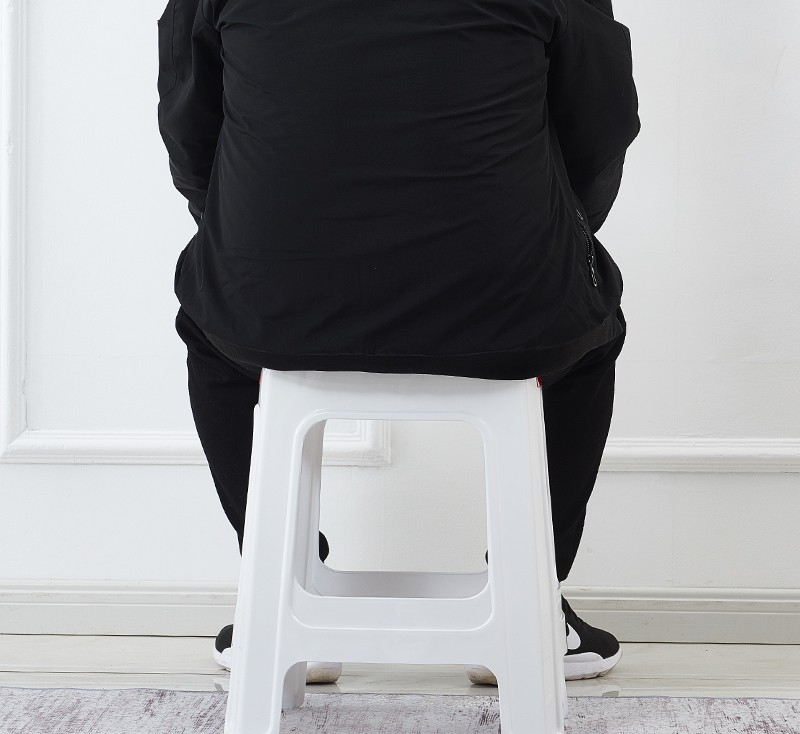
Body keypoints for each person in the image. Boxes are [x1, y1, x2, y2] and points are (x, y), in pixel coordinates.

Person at [157, 0, 641, 685]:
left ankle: (284, 592)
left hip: (275, 294)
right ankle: (532, 603)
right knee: (587, 342)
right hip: (508, 298)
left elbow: (188, 117)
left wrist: (247, 235)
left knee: (215, 338)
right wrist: (557, 229)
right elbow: (600, 123)